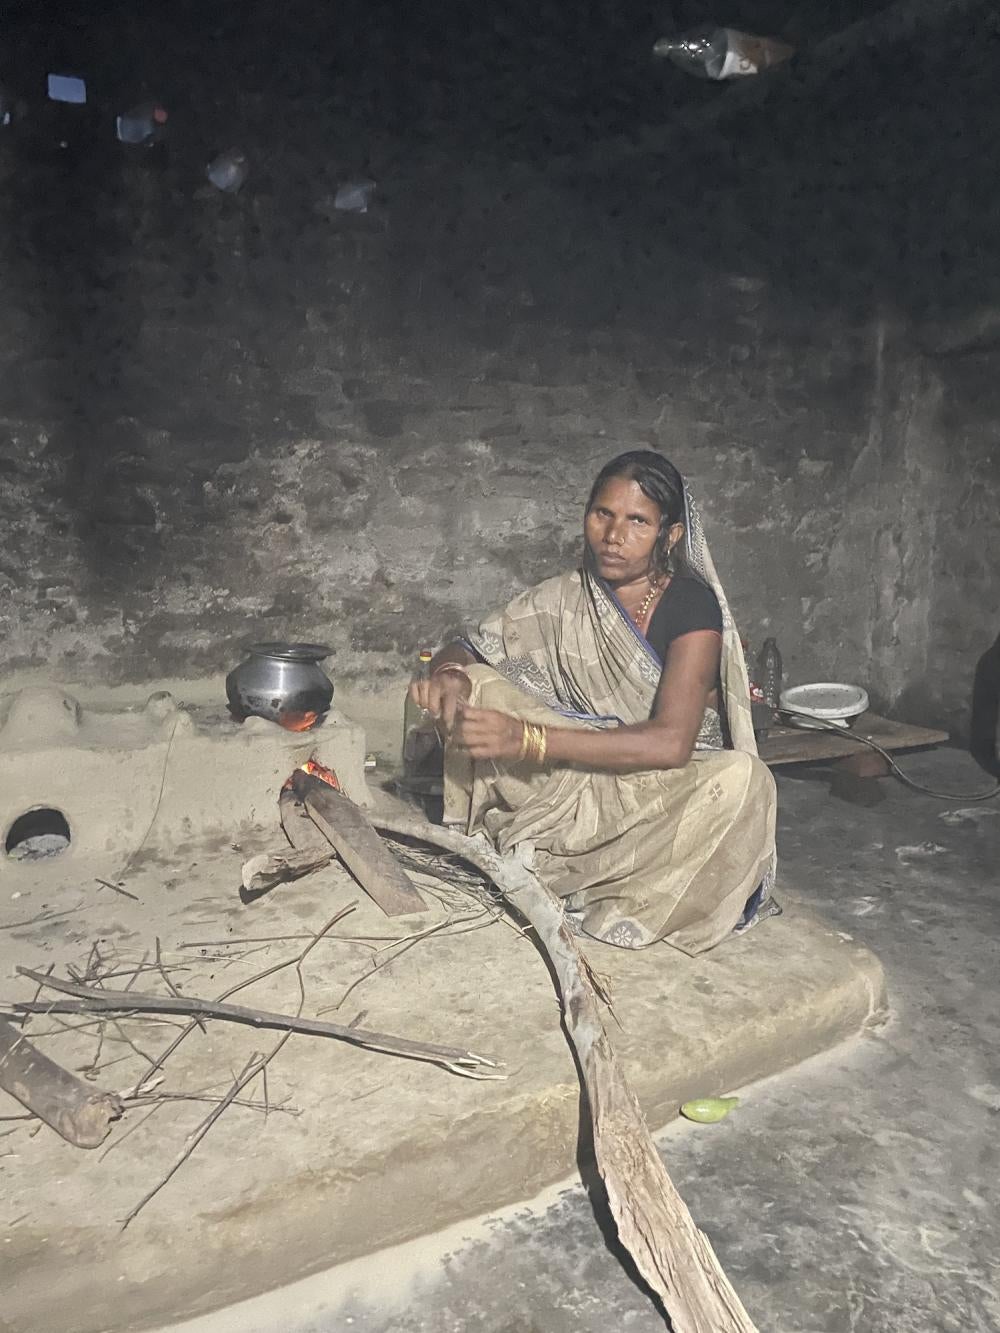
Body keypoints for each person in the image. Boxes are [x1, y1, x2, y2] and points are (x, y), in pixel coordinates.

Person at [408, 450, 779, 953]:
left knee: (744, 780)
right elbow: (468, 646)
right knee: (478, 680)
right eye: (603, 514)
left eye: (637, 522)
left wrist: (529, 739)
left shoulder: (692, 605)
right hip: (570, 776)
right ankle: (556, 853)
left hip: (656, 785)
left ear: (669, 535)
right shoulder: (565, 596)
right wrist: (450, 675)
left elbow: (671, 744)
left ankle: (593, 879)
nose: (613, 536)